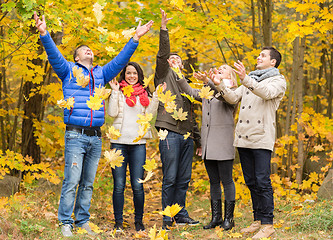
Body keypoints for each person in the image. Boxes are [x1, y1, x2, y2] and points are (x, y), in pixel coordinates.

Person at [34, 12, 153, 237]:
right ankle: (65, 222)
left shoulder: (100, 74)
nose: (89, 50)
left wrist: (135, 38)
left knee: (88, 182)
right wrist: (44, 34)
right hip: (75, 136)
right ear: (77, 57)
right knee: (72, 180)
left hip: (96, 137)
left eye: (90, 49)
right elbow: (54, 55)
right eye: (84, 49)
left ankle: (82, 220)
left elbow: (119, 60)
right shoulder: (68, 70)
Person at [210, 47, 286, 239]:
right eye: (258, 55)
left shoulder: (278, 80)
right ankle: (258, 220)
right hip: (244, 138)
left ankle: (268, 224)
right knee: (251, 181)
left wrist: (245, 79)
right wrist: (220, 85)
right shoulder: (251, 78)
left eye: (263, 56)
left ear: (273, 62)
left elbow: (266, 93)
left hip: (261, 137)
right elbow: (233, 98)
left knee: (262, 181)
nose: (258, 57)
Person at [175, 65, 237, 230]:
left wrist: (209, 81)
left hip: (223, 143)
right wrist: (179, 75)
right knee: (214, 181)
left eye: (224, 68)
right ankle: (216, 217)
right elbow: (191, 92)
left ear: (230, 75)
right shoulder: (209, 90)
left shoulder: (232, 91)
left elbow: (222, 95)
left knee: (227, 180)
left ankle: (229, 219)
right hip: (209, 143)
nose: (219, 69)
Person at [154, 9, 200, 230]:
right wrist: (164, 30)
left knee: (183, 178)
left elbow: (193, 114)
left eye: (177, 59)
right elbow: (163, 55)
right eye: (172, 58)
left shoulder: (186, 85)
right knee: (170, 177)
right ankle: (166, 216)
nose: (173, 60)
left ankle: (180, 213)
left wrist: (198, 140)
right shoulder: (164, 76)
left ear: (182, 66)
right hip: (169, 131)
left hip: (187, 135)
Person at [107, 62, 166, 232]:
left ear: (139, 75)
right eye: (128, 73)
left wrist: (155, 97)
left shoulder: (144, 94)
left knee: (137, 185)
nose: (131, 76)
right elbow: (111, 113)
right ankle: (118, 222)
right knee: (118, 185)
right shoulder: (118, 91)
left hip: (138, 144)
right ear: (124, 75)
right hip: (118, 143)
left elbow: (150, 116)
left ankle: (138, 221)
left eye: (134, 73)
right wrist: (115, 92)